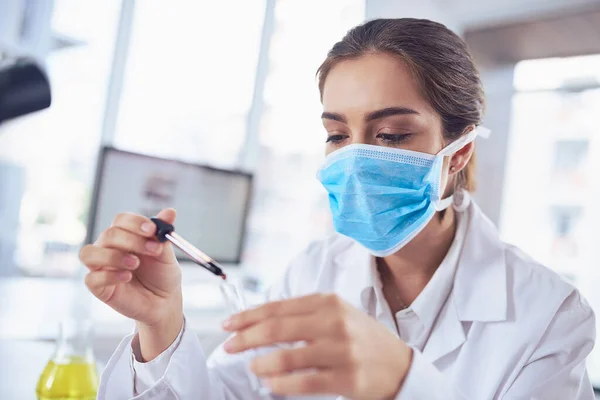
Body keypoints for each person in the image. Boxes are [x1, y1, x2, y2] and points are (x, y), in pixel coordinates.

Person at [80, 18, 596, 399]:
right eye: (336, 135)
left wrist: (405, 383)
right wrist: (161, 322)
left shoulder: (549, 314)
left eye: (391, 135)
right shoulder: (312, 271)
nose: (354, 161)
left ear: (457, 152)